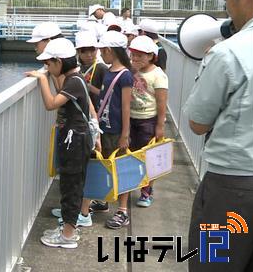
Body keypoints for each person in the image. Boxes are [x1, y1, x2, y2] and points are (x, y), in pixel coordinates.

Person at [184, 0, 253, 272]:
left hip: (233, 188)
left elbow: (198, 123)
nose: (227, 7)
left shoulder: (229, 53)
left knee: (212, 264)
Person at [25, 38, 98, 248]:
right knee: (70, 185)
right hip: (75, 140)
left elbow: (50, 104)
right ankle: (67, 230)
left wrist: (41, 79)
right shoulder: (74, 78)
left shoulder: (74, 81)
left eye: (49, 64)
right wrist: (47, 75)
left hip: (74, 142)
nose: (47, 67)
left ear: (59, 62)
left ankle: (67, 236)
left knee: (71, 187)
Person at [88, 31, 134, 227]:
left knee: (121, 168)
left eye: (101, 50)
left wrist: (125, 134)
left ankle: (123, 211)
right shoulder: (109, 72)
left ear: (109, 50)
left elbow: (125, 106)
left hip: (116, 130)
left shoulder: (125, 75)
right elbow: (105, 96)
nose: (100, 53)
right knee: (105, 163)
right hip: (106, 128)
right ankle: (103, 201)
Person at [128, 35, 168, 208]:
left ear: (151, 56)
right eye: (133, 54)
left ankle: (146, 191)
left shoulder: (158, 75)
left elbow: (161, 103)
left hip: (148, 120)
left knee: (149, 157)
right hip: (130, 118)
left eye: (140, 55)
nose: (136, 58)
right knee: (129, 154)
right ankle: (129, 186)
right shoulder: (130, 71)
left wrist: (160, 126)